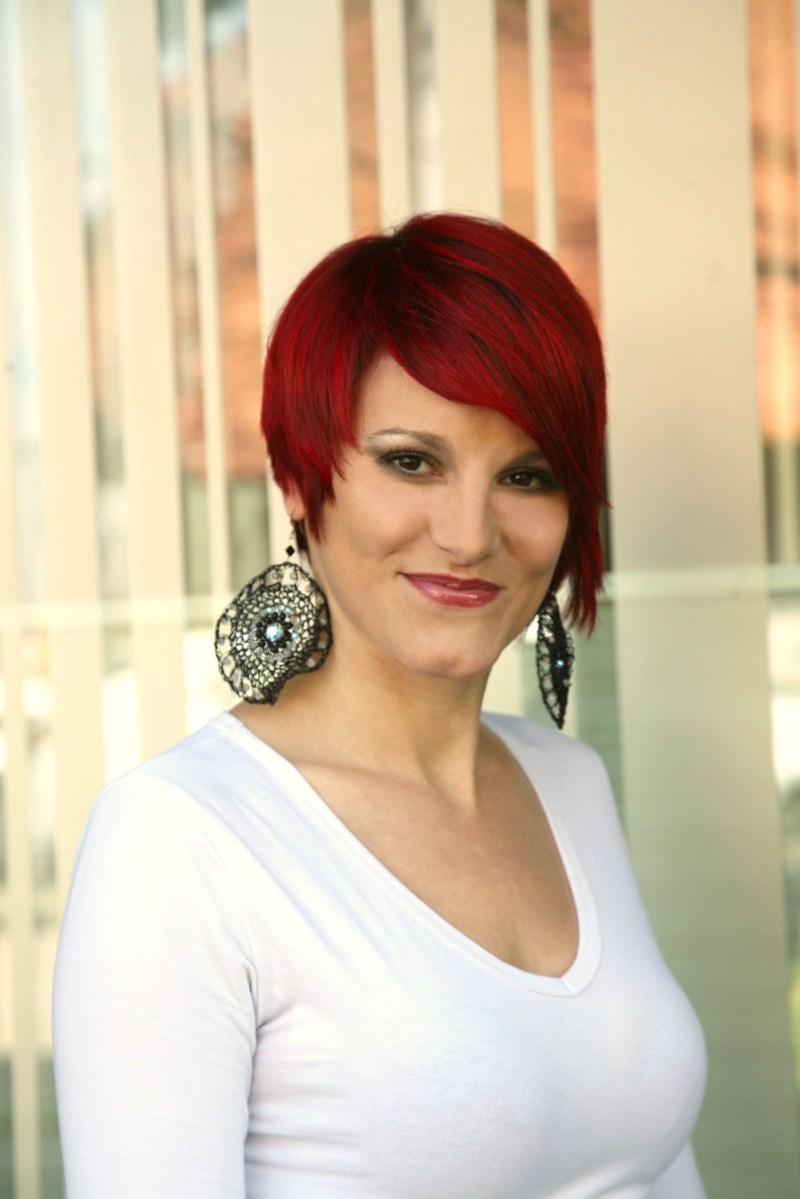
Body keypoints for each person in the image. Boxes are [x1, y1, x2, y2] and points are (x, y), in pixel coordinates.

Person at [53, 213, 707, 1198]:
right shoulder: (179, 837)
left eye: (526, 475)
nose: (469, 533)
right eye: (412, 460)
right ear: (298, 477)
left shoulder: (567, 782)